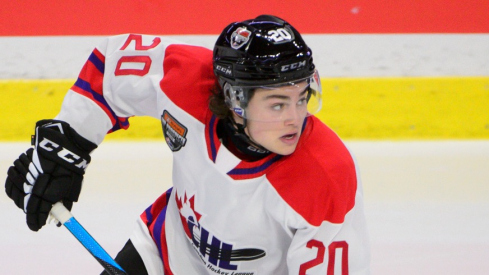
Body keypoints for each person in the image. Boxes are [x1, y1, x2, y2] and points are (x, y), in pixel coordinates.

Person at [5, 15, 370, 274]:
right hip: (162, 255)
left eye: (302, 98)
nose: (296, 117)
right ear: (235, 99)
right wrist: (67, 145)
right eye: (277, 104)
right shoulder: (187, 80)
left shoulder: (326, 176)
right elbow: (111, 65)